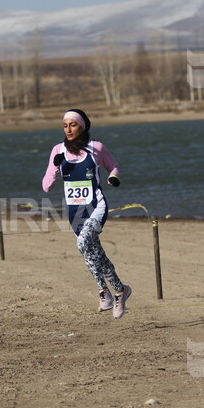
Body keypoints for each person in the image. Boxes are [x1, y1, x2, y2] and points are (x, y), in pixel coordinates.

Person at [42, 109, 132, 319]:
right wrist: (55, 168)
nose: (68, 129)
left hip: (96, 207)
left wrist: (113, 178)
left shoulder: (96, 148)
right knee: (96, 254)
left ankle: (104, 293)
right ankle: (120, 291)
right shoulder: (58, 150)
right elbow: (46, 187)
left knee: (83, 244)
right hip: (74, 213)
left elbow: (114, 167)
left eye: (72, 125)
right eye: (65, 126)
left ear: (82, 126)